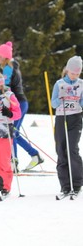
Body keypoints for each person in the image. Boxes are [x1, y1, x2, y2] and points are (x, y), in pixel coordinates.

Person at [0, 41, 44, 171]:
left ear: (4, 56)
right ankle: (35, 155)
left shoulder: (8, 68)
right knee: (14, 133)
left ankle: (13, 162)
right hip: (21, 103)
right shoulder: (12, 66)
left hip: (17, 103)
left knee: (10, 133)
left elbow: (5, 87)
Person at [51, 56, 83, 195]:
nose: (75, 76)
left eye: (77, 73)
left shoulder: (81, 84)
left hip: (75, 119)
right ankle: (65, 184)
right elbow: (53, 104)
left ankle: (76, 183)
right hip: (61, 118)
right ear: (67, 70)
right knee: (61, 150)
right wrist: (61, 98)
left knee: (72, 149)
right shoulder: (59, 84)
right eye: (72, 73)